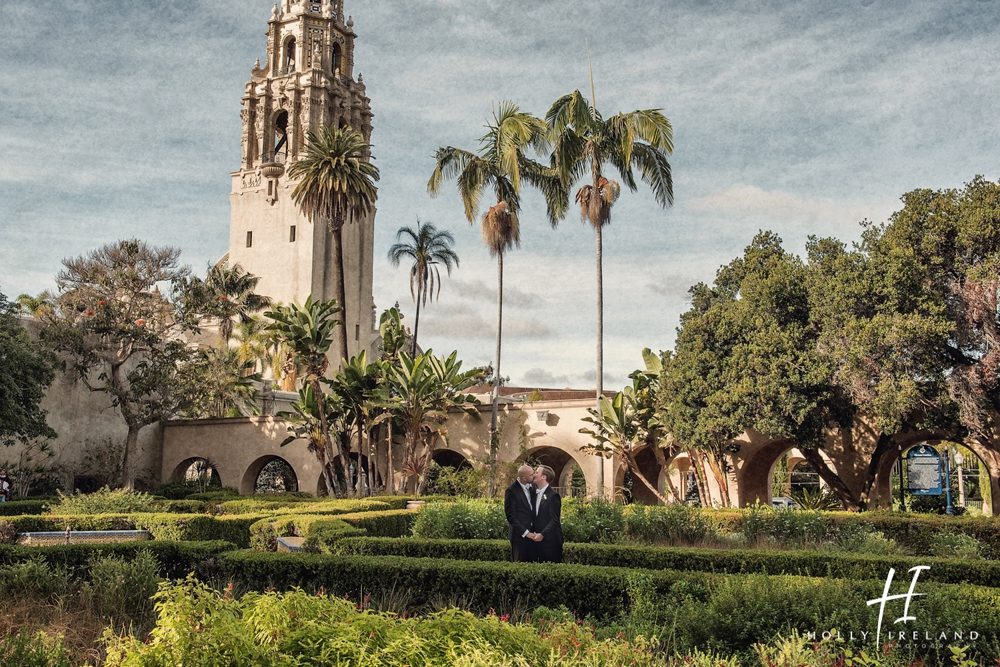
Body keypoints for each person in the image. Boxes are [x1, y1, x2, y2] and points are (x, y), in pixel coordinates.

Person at [528, 465, 563, 563]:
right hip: (536, 541)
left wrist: (542, 534)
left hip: (551, 542)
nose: (534, 474)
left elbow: (555, 520)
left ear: (544, 477)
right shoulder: (534, 493)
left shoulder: (553, 496)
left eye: (536, 472)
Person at [503, 464, 537, 562]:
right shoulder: (511, 491)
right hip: (519, 537)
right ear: (524, 478)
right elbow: (511, 516)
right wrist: (526, 533)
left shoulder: (532, 488)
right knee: (519, 567)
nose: (534, 475)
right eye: (531, 474)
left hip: (533, 535)